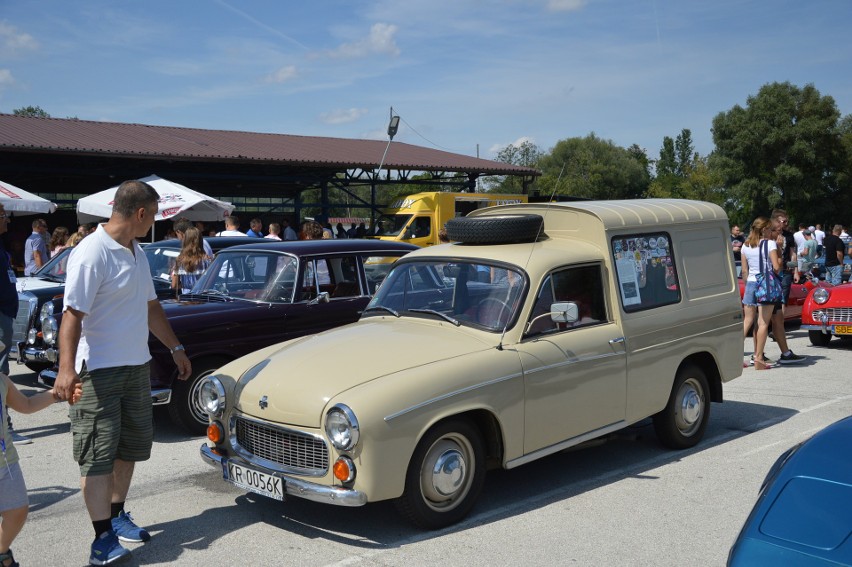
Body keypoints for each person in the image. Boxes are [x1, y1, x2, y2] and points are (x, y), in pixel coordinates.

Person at [53, 179, 192, 566]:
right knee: (97, 455)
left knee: (128, 449)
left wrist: (175, 348)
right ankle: (102, 541)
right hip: (97, 372)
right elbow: (71, 315)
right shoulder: (91, 253)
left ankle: (115, 516)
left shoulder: (137, 251)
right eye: (155, 216)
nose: (156, 224)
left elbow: (150, 308)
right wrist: (66, 370)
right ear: (141, 213)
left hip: (136, 368)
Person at [1, 372, 81, 567]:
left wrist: (56, 394)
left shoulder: (1, 380)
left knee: (17, 510)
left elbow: (26, 405)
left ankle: (1, 552)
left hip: (5, 461)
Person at [0, 205, 30, 448]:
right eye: (3, 215)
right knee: (1, 375)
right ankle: (4, 428)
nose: (7, 220)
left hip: (5, 315)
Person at [767, 210, 806, 364]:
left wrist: (796, 270)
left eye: (786, 222)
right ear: (776, 221)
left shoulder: (789, 236)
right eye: (783, 221)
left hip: (785, 271)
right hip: (771, 272)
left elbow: (793, 254)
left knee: (782, 300)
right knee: (771, 304)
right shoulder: (769, 235)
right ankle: (777, 329)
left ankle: (779, 328)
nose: (785, 224)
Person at [740, 217, 778, 370]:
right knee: (763, 322)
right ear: (764, 230)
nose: (771, 232)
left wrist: (750, 281)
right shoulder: (770, 244)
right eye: (769, 229)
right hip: (765, 285)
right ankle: (758, 358)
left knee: (747, 321)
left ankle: (736, 357)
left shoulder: (745, 245)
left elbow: (744, 270)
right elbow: (776, 267)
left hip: (750, 283)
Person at [171, 226, 211, 297]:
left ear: (186, 241)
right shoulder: (208, 261)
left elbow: (174, 285)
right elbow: (211, 283)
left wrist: (186, 286)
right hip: (203, 299)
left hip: (186, 299)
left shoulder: (180, 261)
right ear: (200, 241)